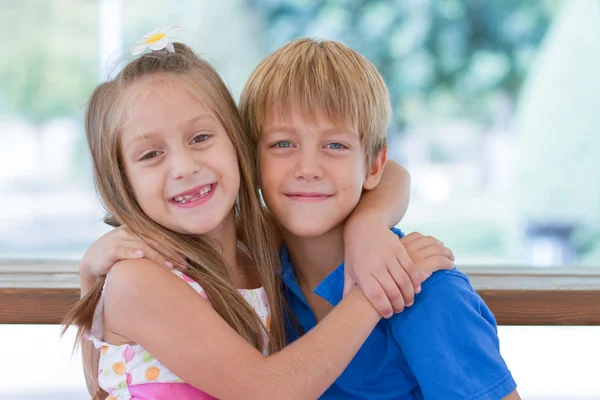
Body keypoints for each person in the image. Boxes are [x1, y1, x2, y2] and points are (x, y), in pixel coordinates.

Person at [67, 30, 454, 400]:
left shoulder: (259, 243)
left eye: (200, 138)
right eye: (151, 154)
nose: (183, 167)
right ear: (121, 180)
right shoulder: (139, 277)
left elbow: (388, 172)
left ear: (240, 144)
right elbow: (271, 391)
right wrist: (374, 292)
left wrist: (367, 228)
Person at [237, 38, 520, 400]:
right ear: (252, 160)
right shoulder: (257, 279)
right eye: (282, 144)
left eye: (335, 145)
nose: (307, 168)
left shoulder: (428, 291)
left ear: (373, 166)